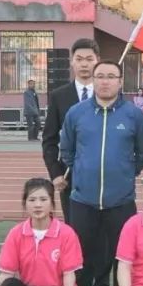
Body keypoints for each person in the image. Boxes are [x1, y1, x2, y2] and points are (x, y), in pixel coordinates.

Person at [60, 60, 143, 286]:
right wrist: (81, 171)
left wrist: (123, 174)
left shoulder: (133, 115)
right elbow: (67, 150)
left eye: (111, 76)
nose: (105, 81)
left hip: (120, 200)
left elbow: (142, 153)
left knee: (123, 256)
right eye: (100, 76)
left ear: (121, 81)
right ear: (93, 80)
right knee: (81, 257)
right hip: (83, 200)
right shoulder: (76, 113)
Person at [0, 178, 82, 286]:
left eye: (43, 199)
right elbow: (7, 274)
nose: (38, 205)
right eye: (32, 200)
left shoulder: (66, 233)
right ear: (25, 203)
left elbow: (68, 274)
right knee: (9, 285)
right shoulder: (16, 233)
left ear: (52, 203)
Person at [42, 38, 99, 223]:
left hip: (103, 174)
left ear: (97, 61)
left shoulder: (109, 95)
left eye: (89, 59)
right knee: (75, 228)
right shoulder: (59, 96)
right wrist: (56, 173)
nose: (84, 64)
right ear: (72, 62)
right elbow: (49, 139)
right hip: (70, 176)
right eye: (79, 59)